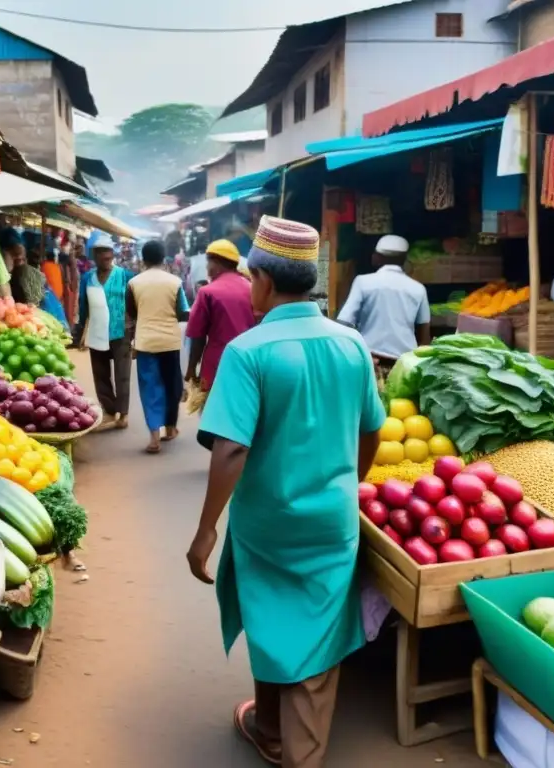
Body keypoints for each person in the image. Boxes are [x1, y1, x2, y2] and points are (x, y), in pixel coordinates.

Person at [186, 216, 382, 767]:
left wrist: (205, 530)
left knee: (270, 616)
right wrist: (351, 482)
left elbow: (229, 450)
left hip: (267, 523)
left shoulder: (249, 352)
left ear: (265, 283)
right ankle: (267, 723)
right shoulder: (352, 344)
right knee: (312, 626)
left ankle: (295, 751)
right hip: (331, 520)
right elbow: (371, 431)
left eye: (251, 280)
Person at [127, 240, 190, 453]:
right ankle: (170, 429)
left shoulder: (134, 283)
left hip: (145, 342)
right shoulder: (175, 282)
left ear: (143, 260)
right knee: (171, 386)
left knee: (150, 387)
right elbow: (183, 311)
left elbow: (133, 312)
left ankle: (154, 437)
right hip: (169, 342)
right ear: (164, 259)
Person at [337, 235, 430, 374]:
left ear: (377, 257)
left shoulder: (363, 282)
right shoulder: (418, 289)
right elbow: (424, 335)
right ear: (404, 259)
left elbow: (344, 323)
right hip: (404, 365)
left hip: (371, 362)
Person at [185, 239, 256, 410]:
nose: (207, 267)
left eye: (208, 262)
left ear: (216, 263)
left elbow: (198, 336)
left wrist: (191, 368)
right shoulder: (253, 288)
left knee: (213, 413)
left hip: (217, 364)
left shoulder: (207, 292)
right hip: (250, 362)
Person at [75, 231, 135, 430]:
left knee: (122, 374)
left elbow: (134, 304)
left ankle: (123, 413)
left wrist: (135, 330)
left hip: (121, 330)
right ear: (95, 256)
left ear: (113, 254)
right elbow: (83, 307)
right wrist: (79, 333)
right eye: (100, 252)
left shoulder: (125, 275)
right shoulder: (87, 278)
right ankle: (109, 410)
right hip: (97, 331)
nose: (104, 256)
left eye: (107, 252)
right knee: (101, 374)